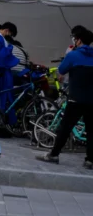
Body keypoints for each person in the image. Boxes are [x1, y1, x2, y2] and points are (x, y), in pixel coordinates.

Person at [36, 26, 93, 168]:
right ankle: (90, 160)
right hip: (91, 99)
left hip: (76, 98)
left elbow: (61, 70)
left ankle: (54, 155)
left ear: (78, 41)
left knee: (65, 128)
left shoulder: (73, 55)